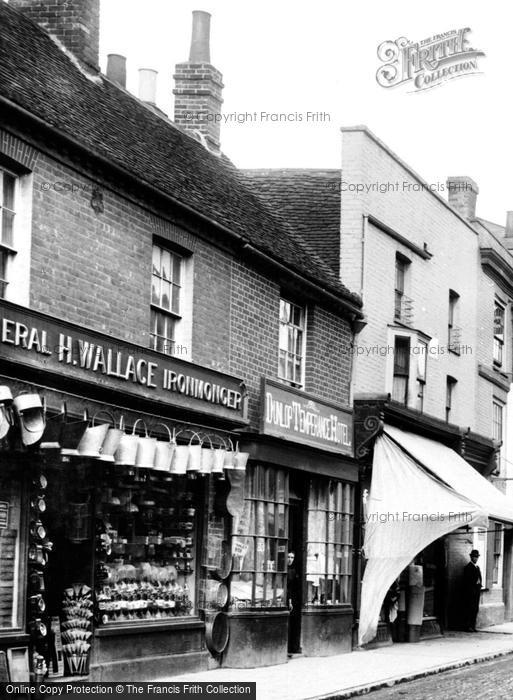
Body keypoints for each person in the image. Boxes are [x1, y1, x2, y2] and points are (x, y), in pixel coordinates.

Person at [463, 549, 482, 632]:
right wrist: (474, 585)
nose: (476, 559)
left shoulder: (477, 567)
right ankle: (468, 626)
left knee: (475, 609)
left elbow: (479, 578)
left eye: (477, 557)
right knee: (469, 609)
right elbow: (467, 581)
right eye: (474, 557)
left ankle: (473, 626)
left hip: (476, 591)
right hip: (470, 592)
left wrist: (479, 585)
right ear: (471, 557)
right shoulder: (468, 567)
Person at [287, 551, 301, 653]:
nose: (290, 559)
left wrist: (291, 600)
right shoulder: (285, 570)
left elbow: (293, 587)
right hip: (287, 598)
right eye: (288, 557)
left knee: (293, 623)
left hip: (293, 599)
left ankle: (293, 647)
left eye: (292, 557)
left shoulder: (294, 570)